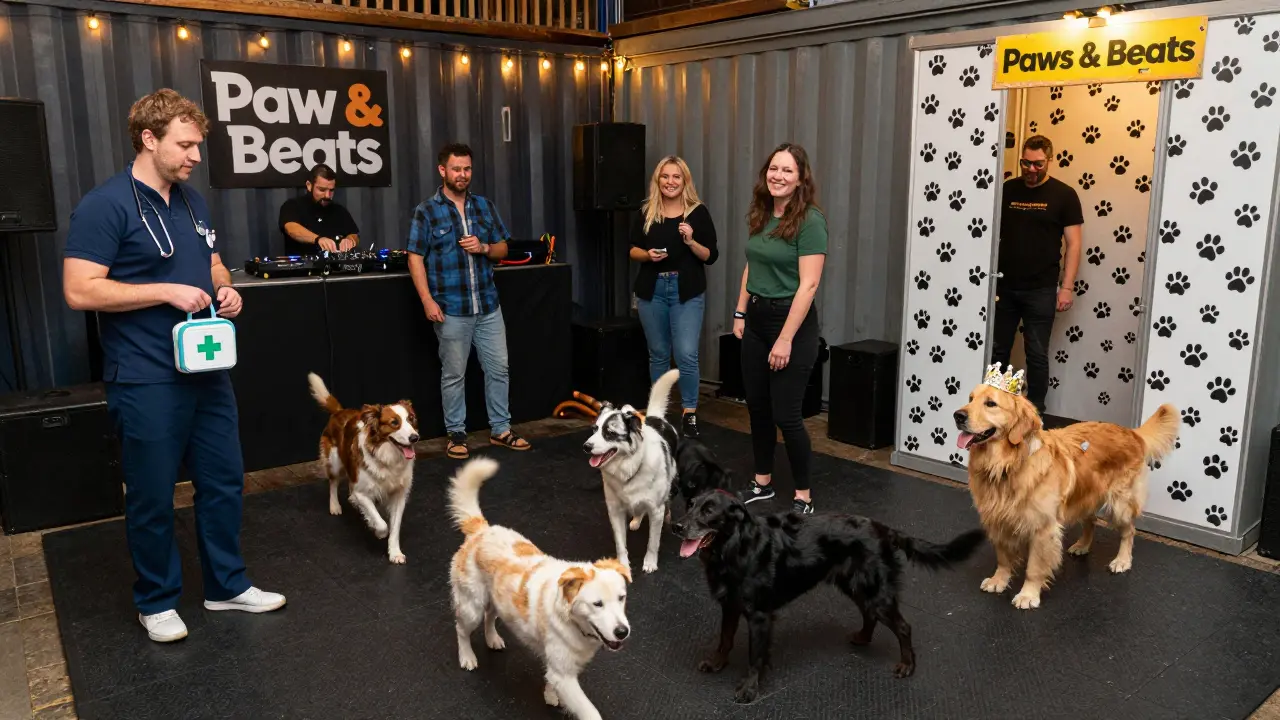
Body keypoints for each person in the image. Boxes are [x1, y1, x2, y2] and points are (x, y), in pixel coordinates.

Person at [61, 89, 285, 643]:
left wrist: (226, 288)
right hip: (145, 376)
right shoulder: (105, 205)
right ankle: (156, 601)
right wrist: (163, 291)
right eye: (184, 145)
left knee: (224, 482)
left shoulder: (191, 201)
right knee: (152, 494)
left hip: (207, 370)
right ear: (149, 139)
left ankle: (226, 586)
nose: (195, 156)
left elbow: (213, 261)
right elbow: (79, 290)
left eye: (197, 145)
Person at [406, 142, 530, 460]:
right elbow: (414, 257)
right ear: (442, 170)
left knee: (499, 369)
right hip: (451, 308)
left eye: (467, 169)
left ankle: (501, 429)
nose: (462, 174)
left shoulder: (484, 206)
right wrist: (427, 300)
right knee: (454, 375)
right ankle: (456, 434)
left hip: (487, 305)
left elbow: (503, 248)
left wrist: (484, 248)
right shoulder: (426, 211)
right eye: (456, 169)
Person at [733, 142, 827, 515]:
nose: (778, 176)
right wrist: (740, 312)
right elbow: (752, 265)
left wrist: (785, 338)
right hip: (756, 321)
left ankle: (803, 496)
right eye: (774, 168)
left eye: (787, 170)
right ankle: (762, 483)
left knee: (786, 416)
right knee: (758, 409)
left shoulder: (810, 221)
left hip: (792, 324)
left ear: (801, 178)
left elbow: (809, 285)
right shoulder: (761, 212)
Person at [990, 135, 1084, 415]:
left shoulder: (1064, 195)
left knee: (1037, 354)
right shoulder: (1008, 190)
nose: (1031, 169)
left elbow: (1074, 244)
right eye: (1026, 163)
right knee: (997, 352)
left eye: (1038, 164)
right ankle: (995, 410)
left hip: (1041, 289)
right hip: (1004, 286)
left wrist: (1066, 287)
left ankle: (1035, 413)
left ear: (1049, 160)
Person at [628, 156, 718, 438]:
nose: (670, 182)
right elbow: (632, 250)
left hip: (686, 291)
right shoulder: (647, 211)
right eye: (665, 176)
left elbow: (710, 255)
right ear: (658, 180)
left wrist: (691, 241)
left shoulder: (697, 213)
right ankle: (658, 413)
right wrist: (648, 255)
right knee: (658, 354)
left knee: (686, 353)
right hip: (652, 290)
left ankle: (689, 412)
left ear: (685, 181)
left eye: (676, 176)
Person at [278, 163, 361, 256]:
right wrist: (318, 239)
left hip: (335, 264)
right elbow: (291, 229)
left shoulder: (339, 210)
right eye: (322, 190)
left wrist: (350, 240)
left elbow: (354, 234)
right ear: (309, 185)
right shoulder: (292, 205)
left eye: (331, 190)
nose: (327, 195)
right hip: (302, 264)